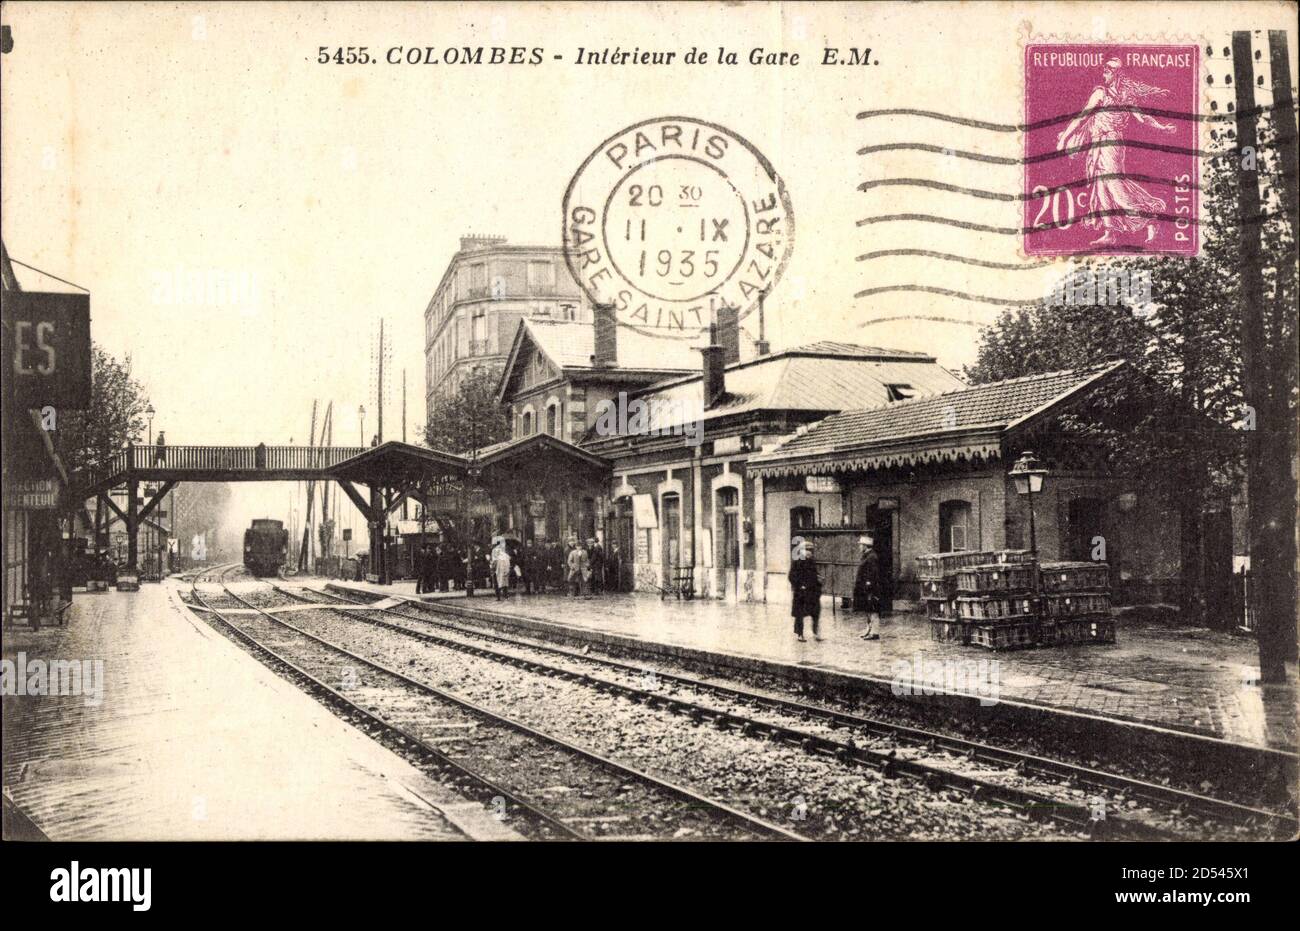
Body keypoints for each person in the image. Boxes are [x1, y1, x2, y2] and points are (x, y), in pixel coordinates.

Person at [1054, 56, 1178, 247]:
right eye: (1104, 69)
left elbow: (1142, 118)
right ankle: (1110, 232)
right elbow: (1082, 118)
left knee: (1114, 184)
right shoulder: (1099, 93)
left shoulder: (1126, 95)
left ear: (1117, 73)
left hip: (1113, 143)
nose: (1104, 72)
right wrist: (1064, 138)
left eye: (1109, 69)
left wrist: (1162, 128)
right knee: (1101, 185)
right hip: (1098, 143)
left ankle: (1148, 219)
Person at [788, 536, 822, 642]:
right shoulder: (797, 561)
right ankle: (800, 634)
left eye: (811, 550)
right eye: (807, 550)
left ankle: (816, 633)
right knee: (800, 614)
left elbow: (814, 574)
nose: (809, 552)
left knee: (815, 613)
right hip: (801, 593)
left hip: (812, 592)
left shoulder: (812, 561)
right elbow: (791, 576)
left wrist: (819, 580)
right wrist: (799, 585)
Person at [853, 535, 882, 640]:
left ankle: (874, 633)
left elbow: (873, 574)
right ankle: (869, 630)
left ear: (865, 546)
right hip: (867, 588)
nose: (859, 547)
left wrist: (868, 585)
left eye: (861, 545)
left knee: (873, 610)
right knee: (868, 610)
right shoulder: (866, 555)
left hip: (871, 589)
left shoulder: (871, 557)